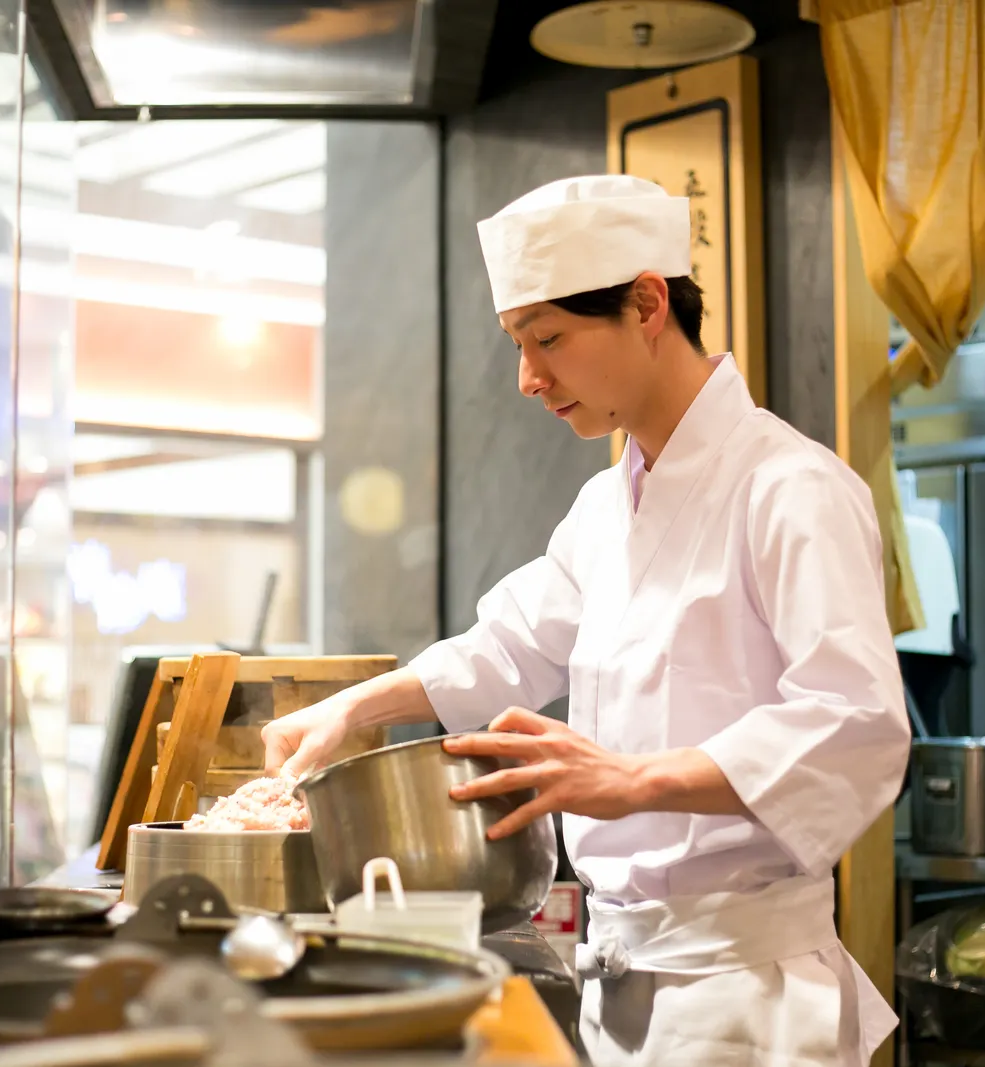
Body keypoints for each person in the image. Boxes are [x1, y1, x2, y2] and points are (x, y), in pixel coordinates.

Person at [263, 174, 910, 1066]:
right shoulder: (607, 506)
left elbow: (856, 722)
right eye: (518, 344)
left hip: (745, 998)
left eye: (549, 340)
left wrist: (637, 780)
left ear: (647, 303)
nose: (529, 379)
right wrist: (352, 708)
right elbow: (509, 643)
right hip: (620, 982)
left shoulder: (790, 488)